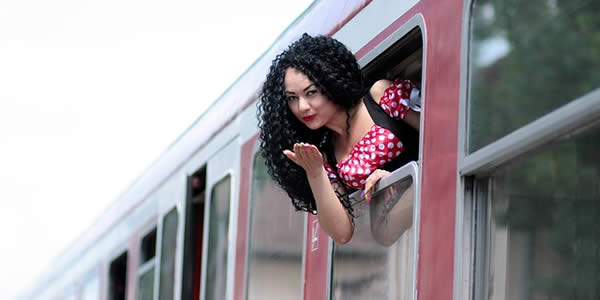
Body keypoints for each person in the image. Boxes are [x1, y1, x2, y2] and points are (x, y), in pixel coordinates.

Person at [257, 33, 420, 244]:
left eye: (311, 92)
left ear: (331, 80)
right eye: (292, 98)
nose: (302, 107)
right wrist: (315, 172)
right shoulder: (326, 157)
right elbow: (342, 233)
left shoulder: (381, 96)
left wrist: (398, 177)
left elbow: (445, 136)